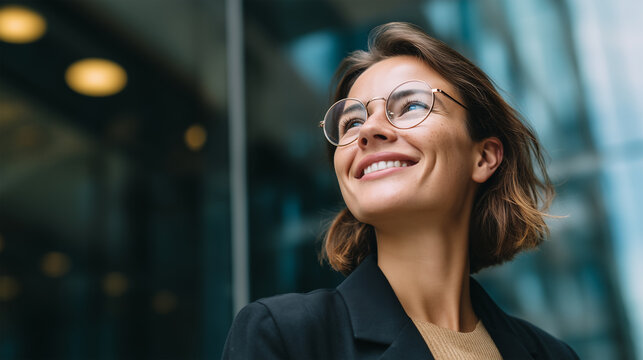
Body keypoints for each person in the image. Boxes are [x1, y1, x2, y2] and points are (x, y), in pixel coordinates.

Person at [222, 22, 579, 360]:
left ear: (484, 157)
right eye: (352, 122)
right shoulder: (289, 336)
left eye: (411, 106)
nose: (369, 130)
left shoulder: (551, 355)